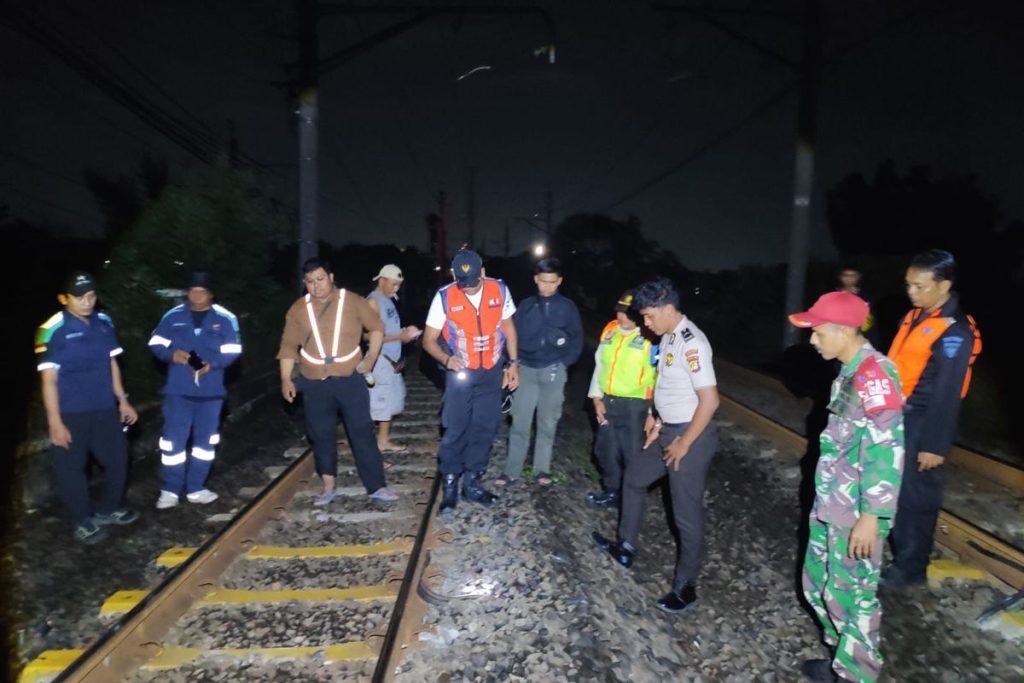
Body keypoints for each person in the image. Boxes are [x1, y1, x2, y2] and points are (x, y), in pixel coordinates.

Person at [789, 292, 905, 683]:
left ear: (842, 330)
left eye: (818, 332)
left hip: (856, 513)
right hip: (831, 505)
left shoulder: (875, 375)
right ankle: (843, 658)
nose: (813, 340)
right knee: (817, 584)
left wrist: (872, 517)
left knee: (853, 597)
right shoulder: (849, 369)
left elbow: (886, 450)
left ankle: (856, 674)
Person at [591, 277, 719, 613]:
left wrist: (682, 442)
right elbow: (670, 386)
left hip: (691, 436)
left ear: (666, 308)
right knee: (633, 479)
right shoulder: (668, 338)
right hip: (667, 430)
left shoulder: (693, 344)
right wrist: (657, 420)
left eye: (648, 316)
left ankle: (686, 586)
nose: (644, 323)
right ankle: (626, 546)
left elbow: (710, 401)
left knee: (685, 515)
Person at [882, 249, 981, 589]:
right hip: (900, 415)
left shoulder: (955, 331)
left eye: (919, 286)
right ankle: (900, 554)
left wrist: (935, 445)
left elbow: (947, 392)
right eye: (909, 284)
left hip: (924, 422)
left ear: (945, 286)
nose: (912, 292)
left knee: (915, 497)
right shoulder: (915, 317)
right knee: (895, 490)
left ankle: (911, 569)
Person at [278, 258, 398, 504]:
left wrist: (371, 357)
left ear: (331, 277)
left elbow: (376, 328)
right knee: (320, 434)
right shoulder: (298, 309)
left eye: (320, 279)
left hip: (350, 379)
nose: (316, 286)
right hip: (315, 381)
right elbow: (288, 347)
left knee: (362, 431)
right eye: (310, 281)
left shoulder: (353, 301)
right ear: (305, 283)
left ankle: (376, 486)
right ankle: (328, 485)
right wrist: (285, 379)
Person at [34, 271, 139, 544]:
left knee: (118, 458)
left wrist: (123, 400)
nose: (87, 302)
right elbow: (48, 381)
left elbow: (112, 364)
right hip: (70, 413)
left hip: (104, 408)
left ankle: (109, 508)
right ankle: (82, 520)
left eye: (91, 296)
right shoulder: (51, 329)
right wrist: (55, 422)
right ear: (64, 298)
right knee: (72, 469)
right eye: (79, 297)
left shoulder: (104, 322)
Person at [421, 248, 519, 512]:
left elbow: (508, 327)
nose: (467, 288)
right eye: (462, 283)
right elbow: (428, 340)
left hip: (491, 371)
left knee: (485, 427)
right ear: (454, 275)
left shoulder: (499, 290)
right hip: (460, 374)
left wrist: (513, 364)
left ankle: (473, 483)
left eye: (473, 283)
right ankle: (450, 485)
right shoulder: (444, 297)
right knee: (456, 429)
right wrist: (446, 359)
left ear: (483, 273)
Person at [148, 272, 242, 509]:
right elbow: (155, 343)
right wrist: (172, 355)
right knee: (172, 443)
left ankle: (196, 487)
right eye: (192, 291)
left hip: (211, 393)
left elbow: (233, 349)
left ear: (210, 294)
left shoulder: (225, 318)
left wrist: (214, 364)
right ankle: (170, 490)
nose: (196, 295)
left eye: (201, 291)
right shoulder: (173, 316)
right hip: (178, 391)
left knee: (205, 443)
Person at [497, 257, 582, 487]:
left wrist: (565, 362)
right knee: (519, 423)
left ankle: (541, 470)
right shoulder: (525, 306)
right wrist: (510, 364)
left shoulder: (567, 307)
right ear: (536, 279)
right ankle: (511, 471)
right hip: (526, 370)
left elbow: (577, 338)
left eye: (552, 282)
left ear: (559, 281)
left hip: (553, 371)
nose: (547, 286)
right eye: (543, 281)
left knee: (547, 423)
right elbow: (510, 336)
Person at [584, 290, 657, 508]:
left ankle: (631, 499)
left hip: (635, 406)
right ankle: (612, 492)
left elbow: (659, 377)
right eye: (619, 311)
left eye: (626, 313)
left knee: (632, 455)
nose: (621, 316)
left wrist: (654, 413)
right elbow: (600, 366)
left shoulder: (651, 337)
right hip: (608, 401)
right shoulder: (610, 331)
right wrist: (596, 398)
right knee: (604, 449)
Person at [366, 264, 421, 454]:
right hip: (380, 359)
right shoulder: (373, 302)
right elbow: (368, 336)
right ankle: (373, 441)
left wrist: (404, 332)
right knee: (379, 402)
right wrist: (400, 337)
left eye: (399, 285)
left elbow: (387, 330)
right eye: (393, 284)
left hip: (393, 360)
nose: (396, 288)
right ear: (381, 281)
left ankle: (382, 440)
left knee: (391, 401)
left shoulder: (389, 301)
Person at [836, 265, 878, 344]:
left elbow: (869, 322)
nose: (849, 279)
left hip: (860, 341)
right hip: (837, 340)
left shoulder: (866, 296)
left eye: (853, 276)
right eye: (846, 275)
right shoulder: (832, 294)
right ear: (840, 277)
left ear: (859, 277)